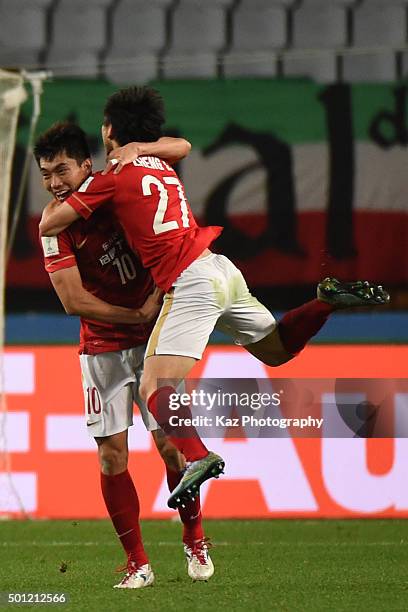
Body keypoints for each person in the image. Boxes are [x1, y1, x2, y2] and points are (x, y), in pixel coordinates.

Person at [39, 86, 390, 511]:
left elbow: (50, 224)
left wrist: (74, 198)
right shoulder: (157, 157)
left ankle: (199, 456)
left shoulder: (112, 178)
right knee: (277, 350)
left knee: (154, 384)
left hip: (189, 281)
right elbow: (183, 144)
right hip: (219, 267)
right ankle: (325, 301)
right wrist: (141, 146)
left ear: (108, 131)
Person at [35, 122, 214, 588]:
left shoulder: (115, 190)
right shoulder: (55, 227)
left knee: (171, 447)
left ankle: (194, 539)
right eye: (46, 175)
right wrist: (136, 313)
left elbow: (181, 148)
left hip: (155, 342)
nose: (55, 183)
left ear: (85, 166)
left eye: (62, 170)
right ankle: (138, 562)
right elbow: (73, 301)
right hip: (101, 348)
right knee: (111, 457)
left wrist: (141, 146)